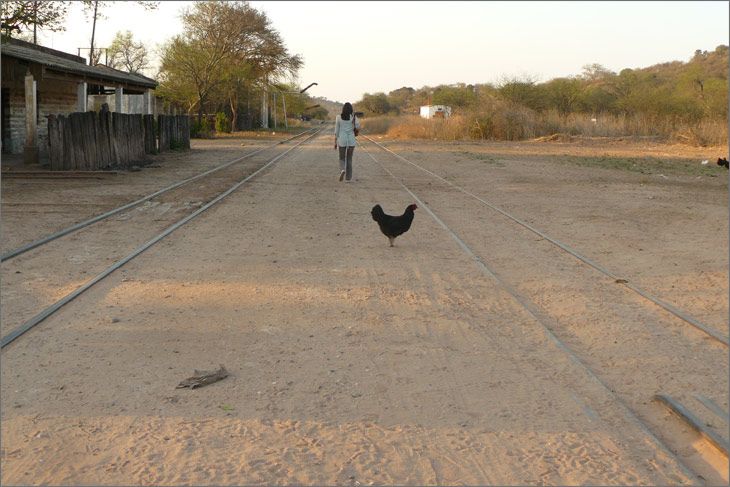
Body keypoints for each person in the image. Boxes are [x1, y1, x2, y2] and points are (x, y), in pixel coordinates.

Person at [334, 102, 361, 182]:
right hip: (351, 140)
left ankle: (342, 170)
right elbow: (358, 126)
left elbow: (337, 130)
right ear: (351, 109)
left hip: (342, 140)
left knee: (341, 158)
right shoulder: (353, 117)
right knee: (349, 159)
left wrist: (335, 142)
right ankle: (348, 178)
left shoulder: (338, 117)